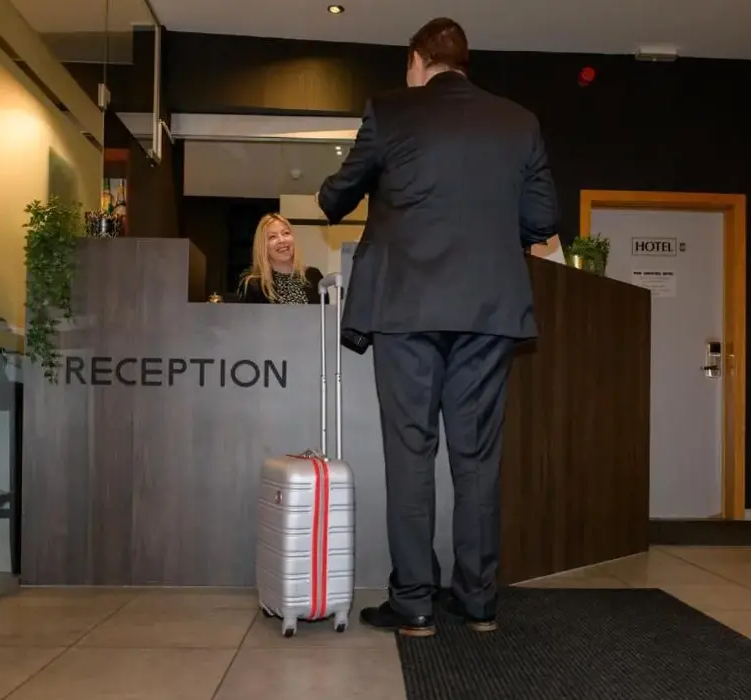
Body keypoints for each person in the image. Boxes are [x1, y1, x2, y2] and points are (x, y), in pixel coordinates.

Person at [317, 18, 558, 637]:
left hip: (406, 309)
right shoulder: (518, 121)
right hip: (487, 312)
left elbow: (334, 199)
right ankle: (477, 600)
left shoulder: (391, 110)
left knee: (411, 453)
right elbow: (542, 218)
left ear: (417, 60)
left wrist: (369, 186)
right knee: (476, 457)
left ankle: (415, 602)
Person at [235, 213, 324, 304]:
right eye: (272, 237)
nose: (282, 240)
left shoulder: (313, 276)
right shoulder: (254, 284)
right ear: (263, 246)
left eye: (286, 233)